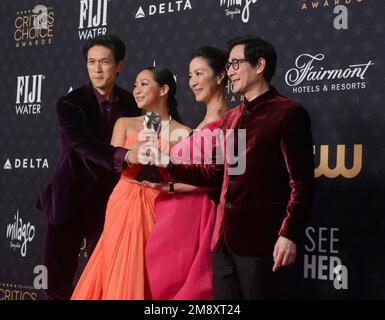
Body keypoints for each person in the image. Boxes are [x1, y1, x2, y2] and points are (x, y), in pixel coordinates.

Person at [138, 36, 315, 299]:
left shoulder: (288, 112)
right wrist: (167, 162)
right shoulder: (230, 119)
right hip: (222, 241)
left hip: (261, 240)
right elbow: (217, 173)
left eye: (235, 64)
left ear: (259, 65)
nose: (230, 71)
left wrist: (289, 234)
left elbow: (300, 182)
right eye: (229, 65)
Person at [71, 66, 191, 299]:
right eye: (135, 85)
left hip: (160, 204)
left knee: (152, 270)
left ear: (164, 89)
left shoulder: (184, 133)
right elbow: (109, 166)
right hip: (124, 201)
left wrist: (164, 161)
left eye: (144, 84)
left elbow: (184, 176)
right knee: (119, 267)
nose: (136, 90)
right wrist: (130, 154)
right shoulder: (124, 123)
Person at [35, 35, 140, 300]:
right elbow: (84, 145)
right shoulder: (70, 103)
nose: (97, 68)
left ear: (119, 65)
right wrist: (125, 156)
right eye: (91, 62)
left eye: (104, 62)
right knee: (56, 280)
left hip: (108, 203)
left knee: (103, 275)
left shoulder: (132, 104)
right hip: (68, 197)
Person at [141, 47, 228, 299]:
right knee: (162, 284)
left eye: (199, 73)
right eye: (190, 75)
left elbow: (220, 179)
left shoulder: (228, 121)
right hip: (172, 212)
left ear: (221, 75)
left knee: (190, 289)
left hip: (196, 214)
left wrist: (169, 186)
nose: (192, 82)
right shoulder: (201, 121)